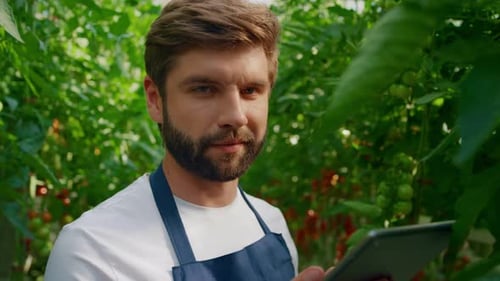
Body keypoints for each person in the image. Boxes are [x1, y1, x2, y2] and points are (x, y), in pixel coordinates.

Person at [44, 1, 380, 280]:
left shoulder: (271, 225)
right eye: (204, 89)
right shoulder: (95, 252)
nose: (235, 115)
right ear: (155, 100)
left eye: (251, 90)